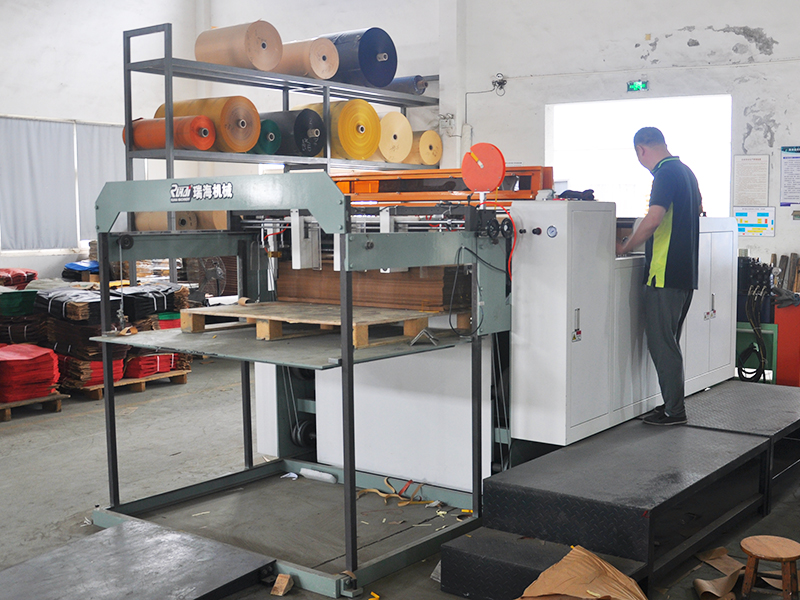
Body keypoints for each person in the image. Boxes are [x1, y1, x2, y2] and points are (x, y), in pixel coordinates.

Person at [616, 127, 702, 426]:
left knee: (662, 345)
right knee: (670, 343)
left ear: (641, 150)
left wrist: (626, 246)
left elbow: (654, 219)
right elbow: (697, 210)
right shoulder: (687, 172)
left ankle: (674, 412)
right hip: (685, 272)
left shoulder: (664, 174)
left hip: (664, 274)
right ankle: (670, 405)